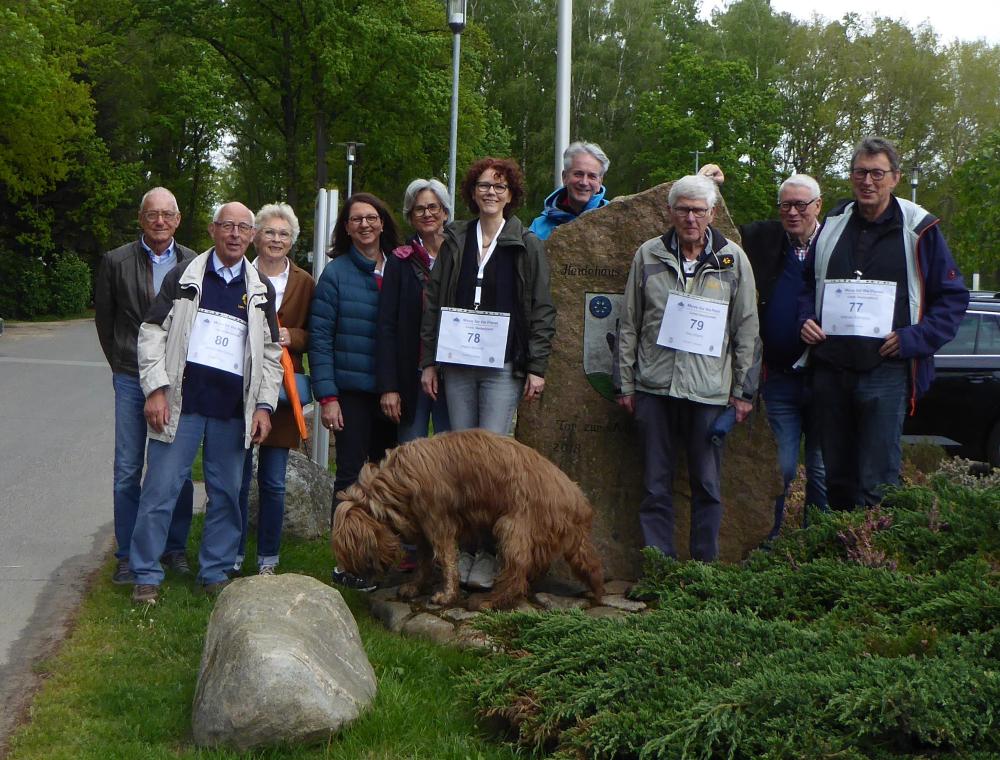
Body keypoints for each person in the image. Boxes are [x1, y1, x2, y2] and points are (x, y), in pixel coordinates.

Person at [799, 136, 969, 510]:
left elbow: (953, 298)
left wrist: (915, 338)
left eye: (877, 173)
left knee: (878, 483)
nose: (868, 181)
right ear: (851, 176)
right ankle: (843, 546)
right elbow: (807, 283)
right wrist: (805, 318)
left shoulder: (920, 228)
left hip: (886, 371)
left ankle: (875, 546)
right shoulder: (832, 224)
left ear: (895, 177)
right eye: (860, 172)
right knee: (837, 480)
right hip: (832, 368)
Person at [128, 201, 283, 604]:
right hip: (181, 404)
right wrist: (156, 389)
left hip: (232, 411)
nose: (234, 234)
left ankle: (214, 572)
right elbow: (151, 332)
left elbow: (270, 353)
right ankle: (146, 574)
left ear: (252, 236)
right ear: (213, 230)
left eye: (243, 228)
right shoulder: (185, 276)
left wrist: (264, 406)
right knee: (160, 490)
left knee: (227, 495)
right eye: (227, 225)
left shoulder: (260, 289)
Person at [420, 157, 556, 589]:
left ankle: (489, 553)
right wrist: (429, 361)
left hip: (502, 366)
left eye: (499, 186)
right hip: (458, 363)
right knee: (462, 463)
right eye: (483, 185)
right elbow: (433, 302)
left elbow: (541, 309)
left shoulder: (526, 244)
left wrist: (536, 367)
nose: (491, 192)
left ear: (511, 194)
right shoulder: (455, 239)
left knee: (492, 465)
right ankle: (463, 549)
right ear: (472, 192)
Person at [616, 174, 760, 562]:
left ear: (712, 213)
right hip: (654, 388)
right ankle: (659, 567)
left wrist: (743, 392)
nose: (690, 218)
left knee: (707, 485)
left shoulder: (733, 259)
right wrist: (625, 383)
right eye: (683, 209)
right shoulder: (648, 255)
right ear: (670, 212)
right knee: (654, 485)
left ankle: (702, 571)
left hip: (709, 392)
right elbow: (629, 323)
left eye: (698, 210)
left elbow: (747, 328)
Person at [700, 165, 827, 538]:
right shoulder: (765, 239)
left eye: (801, 205)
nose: (792, 212)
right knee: (780, 467)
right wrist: (709, 188)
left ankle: (819, 546)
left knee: (822, 469)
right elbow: (716, 230)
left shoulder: (837, 243)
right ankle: (768, 542)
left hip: (827, 378)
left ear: (818, 205)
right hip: (780, 378)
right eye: (785, 205)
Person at [95, 187, 196, 585]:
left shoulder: (193, 263)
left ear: (177, 220)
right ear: (141, 219)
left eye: (167, 214)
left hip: (177, 378)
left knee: (176, 467)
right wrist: (124, 363)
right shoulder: (115, 261)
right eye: (152, 214)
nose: (159, 221)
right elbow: (106, 322)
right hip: (130, 377)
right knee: (127, 468)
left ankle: (174, 548)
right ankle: (126, 554)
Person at [310, 192, 401, 592]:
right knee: (350, 478)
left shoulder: (400, 267)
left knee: (389, 479)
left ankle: (382, 555)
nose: (365, 224)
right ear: (346, 228)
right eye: (356, 219)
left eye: (371, 217)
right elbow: (320, 339)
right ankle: (348, 562)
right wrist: (327, 397)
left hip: (393, 393)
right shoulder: (335, 275)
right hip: (351, 394)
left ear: (383, 222)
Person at [235, 203, 315, 575]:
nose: (276, 240)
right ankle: (232, 553)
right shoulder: (239, 273)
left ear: (292, 241)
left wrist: (291, 335)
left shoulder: (305, 282)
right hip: (240, 383)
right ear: (256, 236)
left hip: (283, 391)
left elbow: (315, 334)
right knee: (236, 479)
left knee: (273, 481)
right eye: (269, 232)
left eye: (284, 234)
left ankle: (268, 558)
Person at [376, 179, 452, 442]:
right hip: (411, 374)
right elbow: (386, 326)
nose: (427, 214)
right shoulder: (399, 261)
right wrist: (389, 387)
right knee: (411, 452)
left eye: (433, 207)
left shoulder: (462, 255)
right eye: (419, 209)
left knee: (454, 452)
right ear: (410, 216)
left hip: (452, 372)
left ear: (445, 212)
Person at [529, 141, 610, 240]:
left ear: (600, 182)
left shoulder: (616, 218)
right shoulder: (539, 228)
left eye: (591, 176)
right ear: (564, 177)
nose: (584, 182)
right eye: (578, 174)